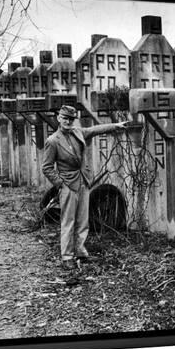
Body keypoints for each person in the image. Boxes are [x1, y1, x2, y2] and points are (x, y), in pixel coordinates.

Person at [42, 105, 127, 270]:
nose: (68, 122)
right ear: (59, 118)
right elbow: (46, 168)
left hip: (83, 181)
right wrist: (60, 184)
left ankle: (80, 251)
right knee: (68, 221)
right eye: (65, 118)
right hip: (68, 183)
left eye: (71, 119)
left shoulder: (77, 132)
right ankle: (67, 256)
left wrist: (115, 126)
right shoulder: (53, 141)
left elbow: (95, 130)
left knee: (83, 219)